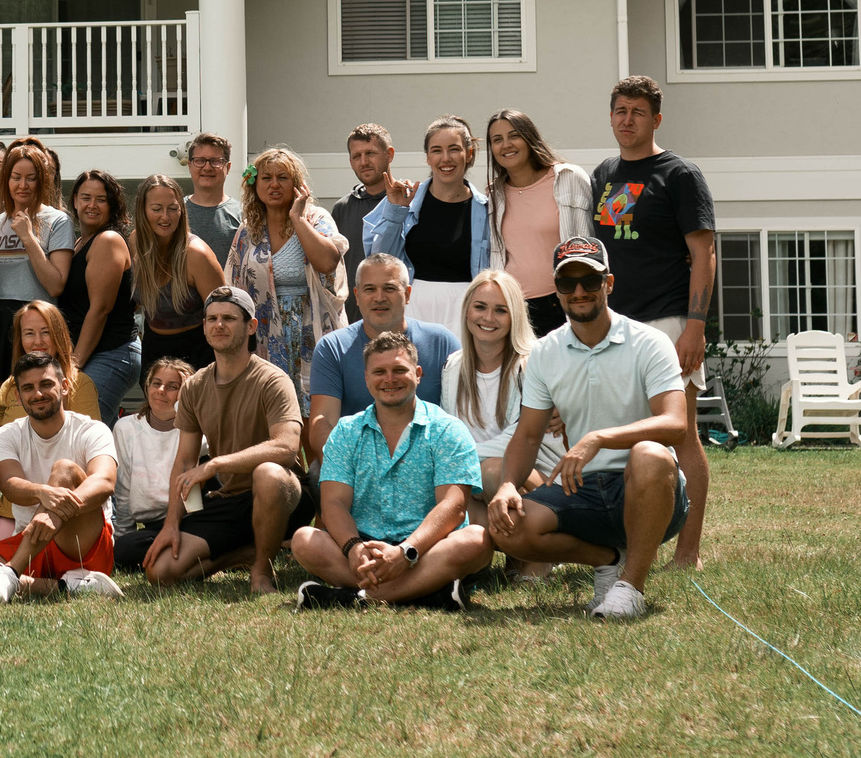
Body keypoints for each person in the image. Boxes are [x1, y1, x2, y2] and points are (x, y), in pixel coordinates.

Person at [487, 239, 692, 621]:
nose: (578, 291)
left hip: (647, 488)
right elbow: (528, 434)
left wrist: (599, 437)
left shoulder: (650, 342)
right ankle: (608, 561)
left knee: (649, 454)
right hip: (582, 488)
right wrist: (507, 486)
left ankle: (631, 588)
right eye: (567, 283)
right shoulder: (546, 352)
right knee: (506, 529)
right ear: (556, 291)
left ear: (609, 283)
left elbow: (676, 424)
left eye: (590, 280)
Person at [589, 75, 716, 569]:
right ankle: (625, 544)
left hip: (667, 323)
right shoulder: (604, 174)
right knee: (620, 434)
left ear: (656, 119)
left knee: (680, 435)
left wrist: (695, 326)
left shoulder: (679, 174)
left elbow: (703, 252)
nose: (627, 120)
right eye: (620, 110)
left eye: (637, 112)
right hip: (614, 326)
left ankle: (688, 552)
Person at [292, 332, 488, 611]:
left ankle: (354, 598)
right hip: (366, 551)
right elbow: (333, 503)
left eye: (399, 370)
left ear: (418, 374)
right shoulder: (346, 432)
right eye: (379, 372)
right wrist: (353, 548)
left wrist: (406, 552)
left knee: (476, 540)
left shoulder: (448, 429)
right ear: (366, 378)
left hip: (429, 549)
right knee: (304, 540)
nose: (390, 379)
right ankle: (428, 594)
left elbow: (454, 506)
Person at [142, 287, 308, 591]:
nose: (219, 325)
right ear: (204, 327)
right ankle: (245, 553)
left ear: (251, 327)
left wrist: (217, 463)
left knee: (268, 473)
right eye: (212, 318)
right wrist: (171, 524)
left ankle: (261, 570)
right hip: (231, 499)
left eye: (229, 318)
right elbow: (185, 461)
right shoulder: (193, 387)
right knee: (161, 571)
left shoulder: (273, 380)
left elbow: (286, 448)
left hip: (283, 495)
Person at [0, 353, 121, 604]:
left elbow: (105, 481)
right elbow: (10, 485)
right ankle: (63, 587)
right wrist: (44, 493)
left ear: (64, 387)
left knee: (65, 470)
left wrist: (56, 507)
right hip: (30, 540)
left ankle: (11, 573)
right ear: (19, 396)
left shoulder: (92, 429)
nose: (38, 394)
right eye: (28, 388)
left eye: (46, 384)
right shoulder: (5, 436)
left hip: (82, 542)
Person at [445, 267, 566, 559]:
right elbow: (452, 431)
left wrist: (457, 462)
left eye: (500, 310)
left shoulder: (531, 363)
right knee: (450, 497)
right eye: (480, 307)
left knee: (491, 472)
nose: (488, 318)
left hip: (543, 479)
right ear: (466, 311)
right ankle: (514, 553)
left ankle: (538, 559)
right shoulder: (453, 367)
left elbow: (521, 439)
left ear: (515, 316)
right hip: (476, 475)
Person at [304, 255, 460, 465]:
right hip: (356, 462)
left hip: (430, 462)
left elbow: (462, 417)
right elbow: (322, 422)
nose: (379, 297)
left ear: (407, 294)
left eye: (389, 288)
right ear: (357, 296)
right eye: (369, 289)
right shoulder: (333, 348)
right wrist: (343, 468)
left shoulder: (442, 342)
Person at [224, 146, 350, 393]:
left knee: (315, 408)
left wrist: (298, 219)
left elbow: (327, 263)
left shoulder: (316, 218)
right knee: (272, 407)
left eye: (283, 178)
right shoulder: (247, 231)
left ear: (297, 184)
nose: (274, 185)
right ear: (254, 184)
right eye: (266, 178)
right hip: (263, 336)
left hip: (313, 331)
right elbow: (234, 287)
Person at [364, 117, 488, 331]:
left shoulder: (487, 209)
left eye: (454, 149)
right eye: (437, 150)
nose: (446, 158)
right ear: (428, 158)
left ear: (468, 154)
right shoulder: (403, 199)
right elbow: (378, 261)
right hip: (412, 315)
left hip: (467, 316)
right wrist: (397, 211)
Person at [0, 141, 72, 393]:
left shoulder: (57, 220)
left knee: (39, 395)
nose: (22, 185)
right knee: (2, 402)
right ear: (6, 180)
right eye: (16, 177)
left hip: (37, 324)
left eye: (31, 178)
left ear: (43, 181)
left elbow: (56, 284)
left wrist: (28, 237)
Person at [486, 110, 592, 338]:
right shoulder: (494, 195)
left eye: (513, 135)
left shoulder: (568, 178)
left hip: (563, 303)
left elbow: (590, 242)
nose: (506, 145)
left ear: (528, 137)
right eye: (497, 140)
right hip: (515, 308)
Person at [61, 169, 139, 414]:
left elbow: (100, 309)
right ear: (74, 201)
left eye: (101, 199)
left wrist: (74, 365)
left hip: (111, 351)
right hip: (93, 351)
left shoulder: (107, 240)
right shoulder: (78, 244)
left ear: (112, 205)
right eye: (85, 198)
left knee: (87, 429)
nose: (92, 205)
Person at [132, 174, 224, 375]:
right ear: (143, 211)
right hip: (153, 349)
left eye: (173, 209)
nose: (165, 217)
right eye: (156, 209)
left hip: (199, 352)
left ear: (182, 211)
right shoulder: (135, 244)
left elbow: (224, 315)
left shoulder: (196, 254)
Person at [110, 355, 190, 571]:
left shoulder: (195, 430)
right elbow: (123, 488)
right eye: (156, 383)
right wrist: (121, 536)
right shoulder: (126, 428)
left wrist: (186, 406)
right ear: (147, 386)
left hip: (193, 519)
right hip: (154, 526)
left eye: (172, 387)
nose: (161, 390)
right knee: (125, 549)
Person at [331, 126, 395, 294]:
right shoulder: (342, 209)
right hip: (352, 313)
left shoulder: (408, 203)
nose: (364, 162)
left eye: (370, 153)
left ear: (389, 155)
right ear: (351, 162)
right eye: (356, 156)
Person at [182, 131, 243, 260]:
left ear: (228, 167)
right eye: (200, 161)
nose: (207, 167)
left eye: (216, 161)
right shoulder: (175, 211)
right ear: (189, 166)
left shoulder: (242, 215)